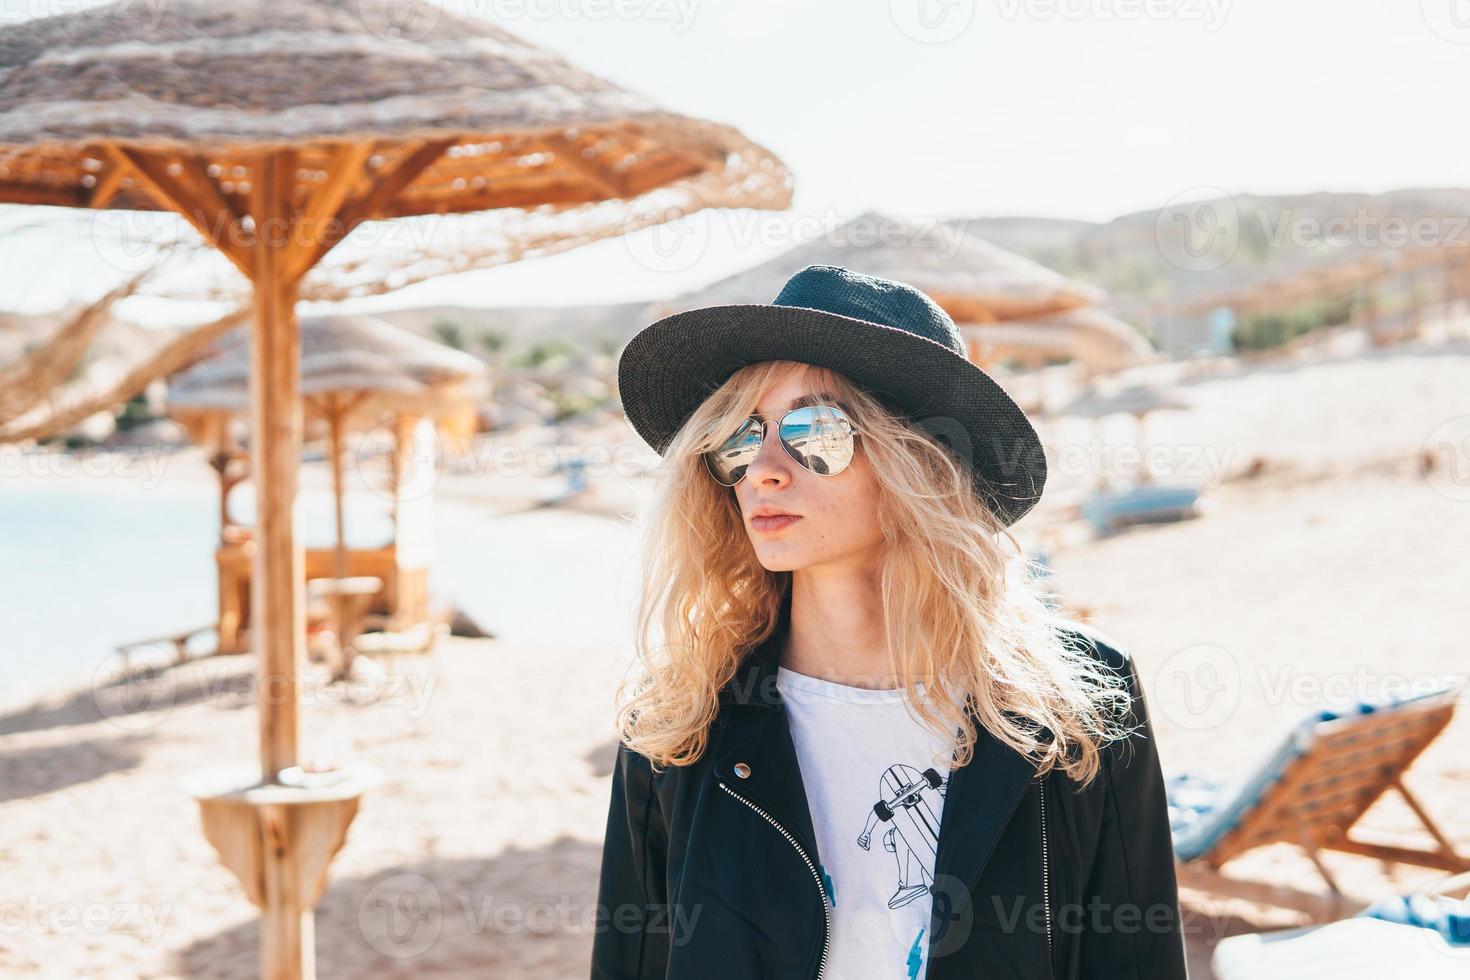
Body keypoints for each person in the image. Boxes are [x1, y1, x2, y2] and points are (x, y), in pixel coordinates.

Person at [592, 265, 1188, 980]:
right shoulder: (677, 721)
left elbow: (1134, 961)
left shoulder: (1077, 705)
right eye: (743, 437)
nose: (764, 471)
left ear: (924, 463)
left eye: (814, 429)